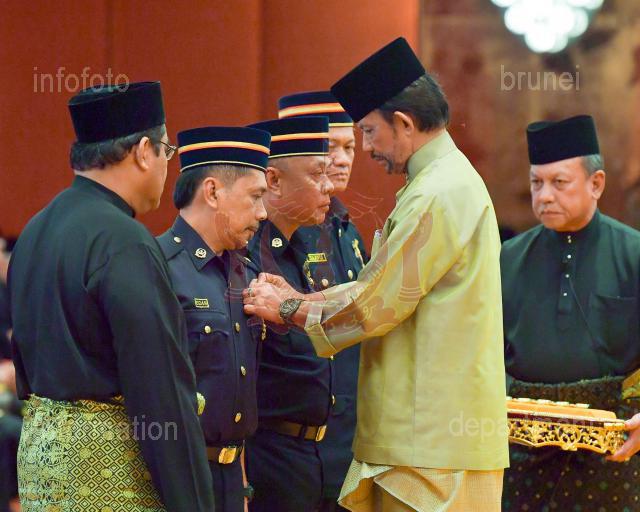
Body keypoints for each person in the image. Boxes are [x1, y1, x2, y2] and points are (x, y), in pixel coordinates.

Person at [243, 37, 508, 511]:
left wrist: (289, 307)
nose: (365, 149)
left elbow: (377, 304)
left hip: (430, 449)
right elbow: (379, 288)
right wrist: (303, 301)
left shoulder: (437, 193)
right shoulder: (443, 182)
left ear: (403, 123)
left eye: (367, 132)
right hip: (426, 443)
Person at [8, 82, 214, 511]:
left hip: (40, 464)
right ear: (144, 151)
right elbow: (158, 390)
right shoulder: (124, 240)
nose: (167, 166)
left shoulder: (35, 229)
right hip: (108, 473)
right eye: (166, 151)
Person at [500, 114, 640, 510]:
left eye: (559, 182)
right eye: (536, 183)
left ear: (596, 184)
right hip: (523, 451)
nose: (544, 195)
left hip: (612, 448)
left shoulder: (633, 254)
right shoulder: (508, 258)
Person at [156, 126, 271, 511]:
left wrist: (241, 483)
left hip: (231, 477)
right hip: (176, 475)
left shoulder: (246, 272)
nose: (263, 212)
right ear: (212, 192)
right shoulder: (159, 267)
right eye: (255, 196)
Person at [277, 91, 367, 511]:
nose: (343, 160)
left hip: (348, 437)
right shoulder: (285, 228)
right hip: (294, 439)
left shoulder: (347, 228)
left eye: (350, 147)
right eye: (331, 148)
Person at [241, 115, 336, 511]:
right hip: (269, 455)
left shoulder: (310, 244)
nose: (329, 186)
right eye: (317, 174)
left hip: (318, 453)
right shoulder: (247, 258)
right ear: (274, 181)